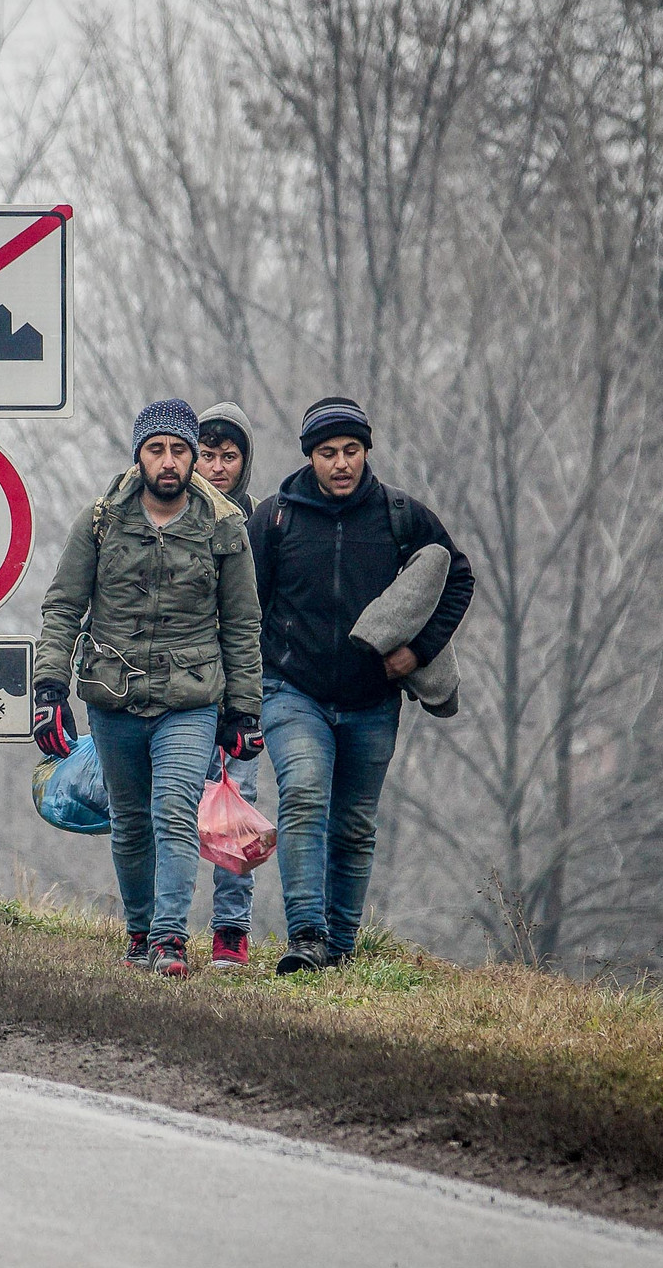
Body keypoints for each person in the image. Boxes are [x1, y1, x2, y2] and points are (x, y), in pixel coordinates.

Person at [34, 399, 264, 979]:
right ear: (139, 454)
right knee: (132, 820)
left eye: (180, 450)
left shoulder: (223, 528)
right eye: (157, 448)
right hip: (113, 698)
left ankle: (169, 941)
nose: (169, 461)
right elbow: (64, 607)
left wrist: (243, 710)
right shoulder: (100, 522)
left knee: (175, 812)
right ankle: (140, 930)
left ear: (191, 459)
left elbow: (241, 625)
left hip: (190, 702)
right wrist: (49, 687)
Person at [248, 397, 473, 973]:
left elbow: (458, 575)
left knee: (353, 823)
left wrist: (418, 651)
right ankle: (306, 937)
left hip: (372, 700)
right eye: (328, 453)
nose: (341, 463)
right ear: (310, 457)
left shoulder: (400, 515)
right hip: (291, 689)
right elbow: (245, 605)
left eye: (351, 451)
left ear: (367, 451)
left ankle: (341, 949)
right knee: (302, 795)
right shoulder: (276, 519)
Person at [195, 402, 261, 969]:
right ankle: (155, 926)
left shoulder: (263, 525)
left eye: (229, 456)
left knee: (237, 811)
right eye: (208, 454)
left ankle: (231, 932)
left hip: (241, 693)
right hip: (181, 691)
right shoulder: (170, 517)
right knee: (169, 808)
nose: (217, 467)